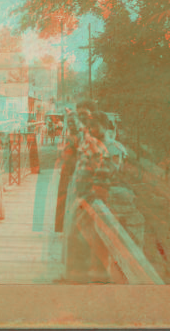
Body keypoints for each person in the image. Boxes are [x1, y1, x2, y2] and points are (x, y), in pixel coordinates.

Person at [62, 109, 113, 284]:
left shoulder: (98, 148)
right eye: (89, 127)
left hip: (90, 198)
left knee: (87, 237)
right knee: (75, 235)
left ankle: (89, 276)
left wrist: (92, 196)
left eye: (94, 127)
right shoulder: (87, 145)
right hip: (81, 195)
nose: (90, 130)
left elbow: (101, 176)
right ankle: (75, 275)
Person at [55, 111, 80, 232]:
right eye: (69, 122)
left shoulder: (80, 137)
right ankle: (62, 227)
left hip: (74, 171)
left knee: (70, 200)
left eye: (74, 122)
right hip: (66, 171)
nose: (71, 125)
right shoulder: (69, 136)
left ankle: (70, 228)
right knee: (63, 199)